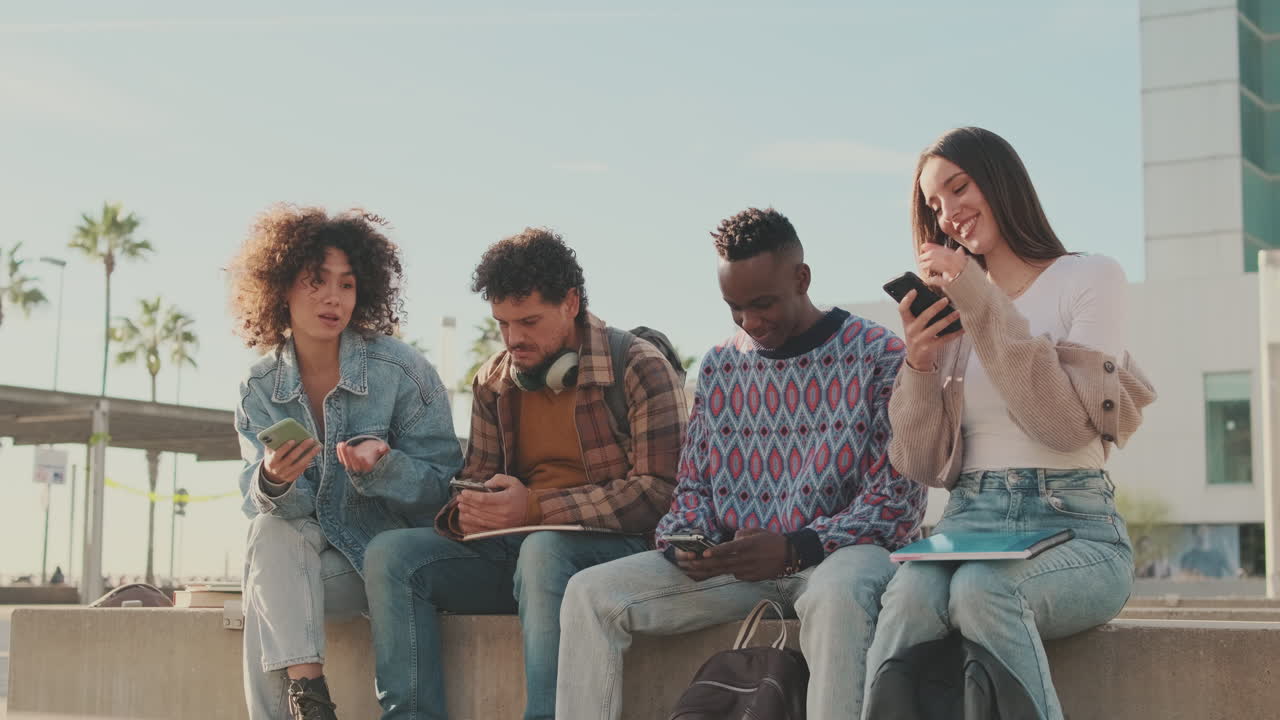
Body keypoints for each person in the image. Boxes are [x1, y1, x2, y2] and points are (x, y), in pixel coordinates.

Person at [555, 207, 927, 720]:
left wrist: (797, 547)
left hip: (836, 558)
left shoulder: (878, 354)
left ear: (803, 278)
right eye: (735, 308)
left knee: (839, 596)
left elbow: (897, 504)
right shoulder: (721, 365)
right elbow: (692, 489)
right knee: (589, 594)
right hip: (737, 566)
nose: (750, 322)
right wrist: (690, 543)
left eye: (763, 303)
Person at [863, 127, 1157, 720]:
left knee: (984, 591)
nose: (948, 216)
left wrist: (978, 298)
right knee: (909, 598)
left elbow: (1065, 426)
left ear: (1000, 179)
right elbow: (918, 464)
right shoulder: (953, 307)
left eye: (958, 187)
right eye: (934, 205)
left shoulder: (1090, 277)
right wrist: (918, 363)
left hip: (1076, 528)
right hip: (967, 519)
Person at [361, 227, 688, 720]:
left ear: (572, 302)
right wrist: (469, 512)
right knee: (390, 554)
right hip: (519, 554)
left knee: (543, 549)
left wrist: (536, 508)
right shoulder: (495, 381)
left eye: (529, 321)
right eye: (502, 324)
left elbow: (661, 494)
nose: (514, 338)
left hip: (615, 551)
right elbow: (474, 479)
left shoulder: (638, 367)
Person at [230, 205, 462, 720]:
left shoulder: (402, 371)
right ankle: (311, 701)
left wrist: (386, 467)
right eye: (316, 281)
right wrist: (273, 479)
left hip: (387, 566)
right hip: (307, 566)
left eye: (347, 284)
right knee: (268, 534)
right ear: (281, 289)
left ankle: (303, 705)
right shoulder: (260, 387)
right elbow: (260, 501)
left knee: (264, 599)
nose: (333, 297)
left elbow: (446, 492)